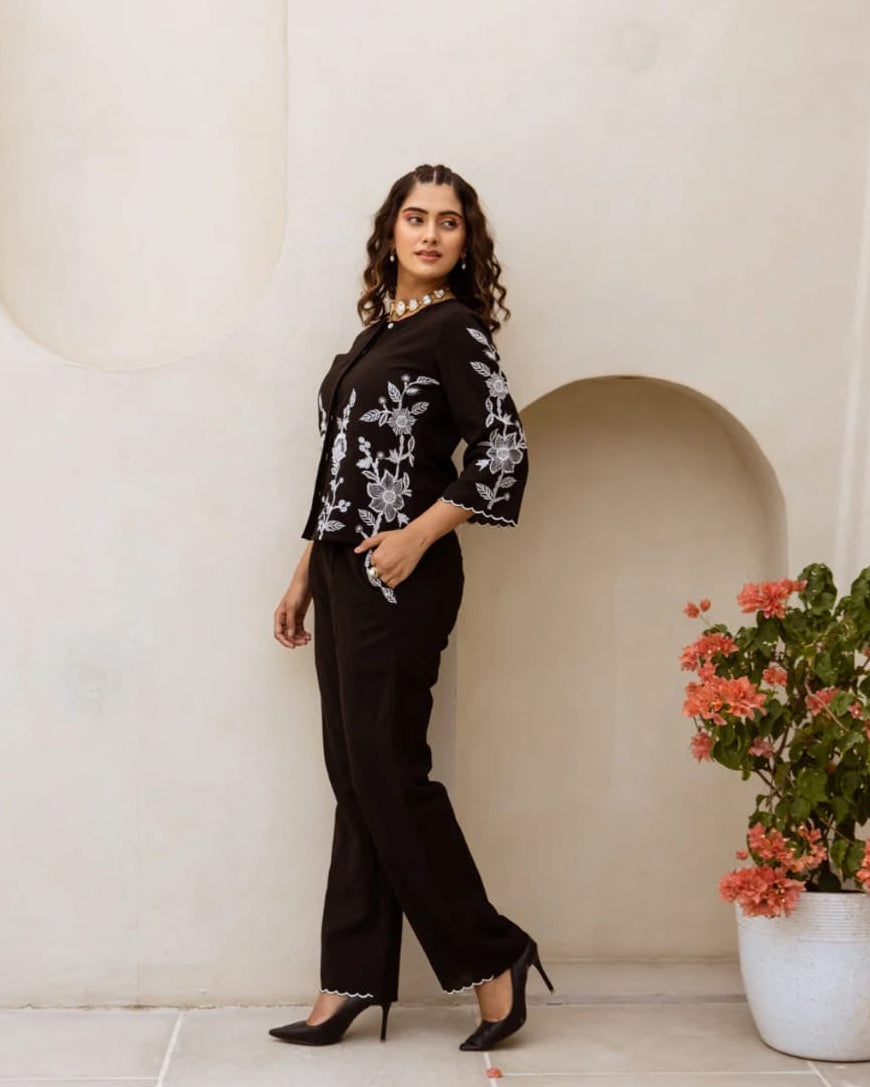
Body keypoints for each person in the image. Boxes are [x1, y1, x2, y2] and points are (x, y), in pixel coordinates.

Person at [268, 163, 553, 1052]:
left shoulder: (455, 331)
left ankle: (493, 955)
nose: (431, 234)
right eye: (415, 217)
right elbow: (338, 475)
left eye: (450, 223)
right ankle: (349, 976)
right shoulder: (368, 339)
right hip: (344, 575)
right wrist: (305, 570)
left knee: (391, 771)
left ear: (467, 242)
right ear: (389, 230)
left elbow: (502, 454)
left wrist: (420, 533)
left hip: (405, 576)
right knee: (356, 775)